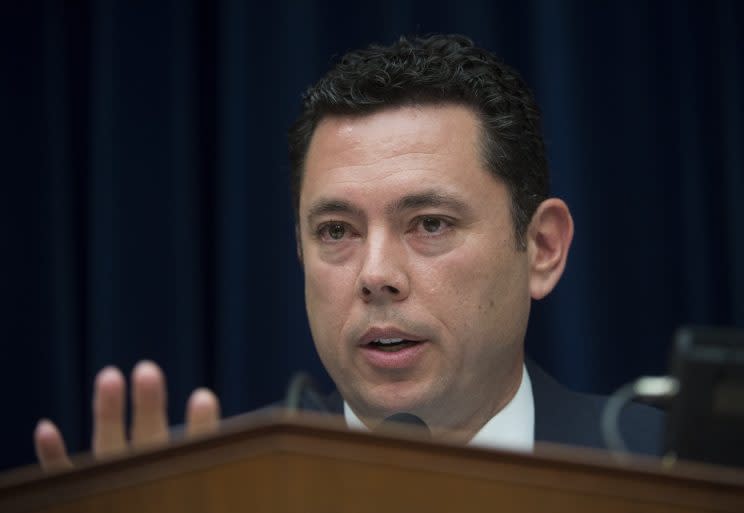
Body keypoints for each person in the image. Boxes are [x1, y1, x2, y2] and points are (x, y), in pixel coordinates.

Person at [33, 34, 663, 471]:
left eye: (431, 224)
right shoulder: (203, 489)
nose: (376, 275)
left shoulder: (681, 472)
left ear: (543, 248)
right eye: (336, 231)